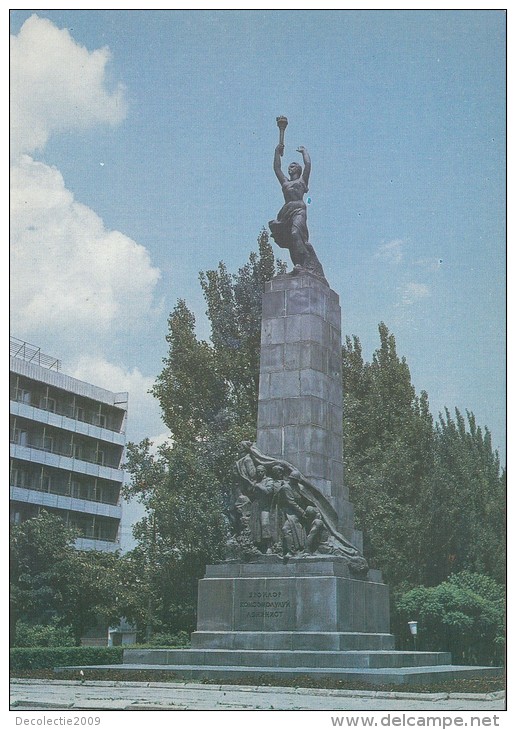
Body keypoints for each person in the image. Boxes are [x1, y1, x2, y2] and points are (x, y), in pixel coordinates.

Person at [269, 144, 326, 280]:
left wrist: (304, 152)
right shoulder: (285, 183)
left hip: (299, 209)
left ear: (298, 170)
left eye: (293, 165)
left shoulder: (302, 180)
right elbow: (276, 168)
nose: (290, 167)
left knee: (296, 234)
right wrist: (277, 152)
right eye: (289, 166)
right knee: (290, 241)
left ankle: (305, 263)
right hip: (286, 212)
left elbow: (308, 165)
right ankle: (298, 265)